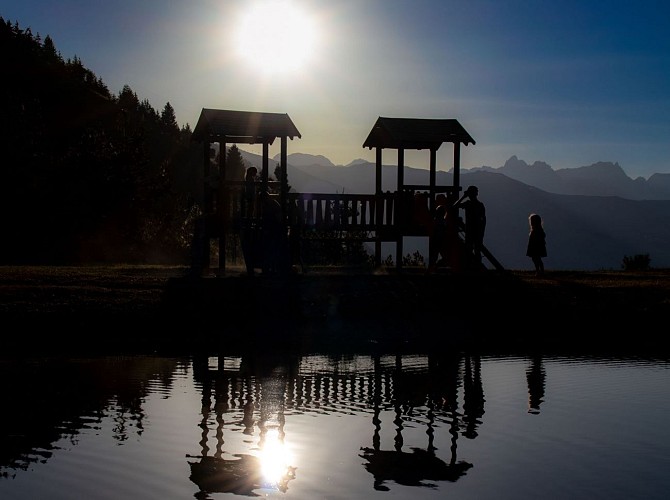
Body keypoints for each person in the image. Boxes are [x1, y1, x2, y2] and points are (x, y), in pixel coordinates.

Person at [454, 185, 486, 267]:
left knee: (469, 250)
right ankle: (477, 267)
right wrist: (482, 232)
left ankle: (470, 266)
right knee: (477, 251)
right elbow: (483, 221)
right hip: (477, 232)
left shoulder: (468, 204)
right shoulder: (480, 205)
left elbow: (455, 206)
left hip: (470, 231)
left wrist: (463, 197)